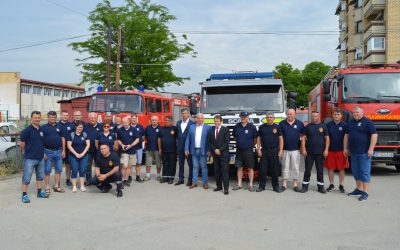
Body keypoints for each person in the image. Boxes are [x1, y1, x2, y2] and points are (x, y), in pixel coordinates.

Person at [344, 106, 377, 201]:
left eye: (357, 112)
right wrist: (345, 148)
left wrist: (371, 149)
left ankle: (365, 192)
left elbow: (374, 135)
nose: (355, 114)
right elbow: (346, 136)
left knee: (364, 172)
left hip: (364, 153)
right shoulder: (350, 123)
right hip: (353, 153)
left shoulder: (368, 122)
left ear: (362, 112)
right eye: (354, 112)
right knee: (355, 171)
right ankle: (359, 189)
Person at [20, 111, 49, 203]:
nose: (37, 119)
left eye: (38, 117)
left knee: (40, 176)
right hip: (29, 158)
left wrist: (43, 153)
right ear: (31, 119)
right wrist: (29, 152)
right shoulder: (26, 131)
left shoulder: (41, 130)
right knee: (27, 177)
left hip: (40, 158)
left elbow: (42, 143)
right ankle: (24, 195)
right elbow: (22, 145)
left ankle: (39, 192)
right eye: (35, 117)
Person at [300, 111, 329, 194]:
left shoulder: (323, 126)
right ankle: (304, 187)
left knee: (320, 170)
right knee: (307, 170)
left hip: (320, 153)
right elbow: (303, 138)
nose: (314, 117)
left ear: (318, 116)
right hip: (309, 152)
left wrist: (326, 149)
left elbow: (327, 138)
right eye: (312, 116)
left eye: (316, 116)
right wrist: (303, 149)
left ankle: (320, 187)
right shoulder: (307, 127)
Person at [256, 112, 283, 193]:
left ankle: (276, 187)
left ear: (273, 118)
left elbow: (281, 139)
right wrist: (258, 149)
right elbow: (258, 139)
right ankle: (261, 186)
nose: (269, 118)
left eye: (271, 117)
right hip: (264, 150)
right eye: (268, 117)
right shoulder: (262, 127)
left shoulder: (277, 127)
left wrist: (281, 150)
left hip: (274, 150)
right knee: (262, 169)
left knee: (275, 170)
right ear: (266, 118)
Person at [279, 109, 304, 192]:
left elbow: (303, 137)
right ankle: (284, 184)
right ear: (286, 114)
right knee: (285, 167)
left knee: (295, 167)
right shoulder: (282, 124)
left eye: (291, 114)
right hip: (285, 149)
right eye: (288, 114)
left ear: (295, 115)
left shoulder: (300, 124)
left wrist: (302, 147)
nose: (289, 116)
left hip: (295, 149)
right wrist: (280, 149)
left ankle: (295, 184)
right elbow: (280, 138)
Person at [232, 111, 258, 192]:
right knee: (239, 168)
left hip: (249, 151)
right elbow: (235, 137)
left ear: (248, 118)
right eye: (242, 117)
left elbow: (255, 139)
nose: (243, 118)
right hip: (239, 151)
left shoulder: (252, 127)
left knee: (250, 168)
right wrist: (240, 144)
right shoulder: (237, 126)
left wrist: (250, 145)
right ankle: (239, 184)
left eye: (245, 117)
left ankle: (251, 184)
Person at [185, 113, 212, 189]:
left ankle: (205, 183)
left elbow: (210, 140)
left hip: (204, 150)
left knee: (204, 167)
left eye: (201, 118)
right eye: (198, 118)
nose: (199, 119)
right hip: (194, 150)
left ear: (203, 119)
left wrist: (209, 150)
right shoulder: (191, 127)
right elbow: (188, 138)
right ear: (196, 119)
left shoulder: (208, 127)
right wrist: (186, 148)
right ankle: (194, 182)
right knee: (195, 167)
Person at [324, 108, 349, 193]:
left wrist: (346, 149)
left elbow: (347, 138)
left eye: (338, 114)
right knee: (330, 168)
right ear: (332, 115)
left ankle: (341, 185)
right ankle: (331, 184)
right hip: (330, 150)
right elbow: (326, 138)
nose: (336, 116)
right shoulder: (328, 125)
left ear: (341, 115)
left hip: (341, 151)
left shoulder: (345, 125)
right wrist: (325, 149)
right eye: (335, 114)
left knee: (341, 168)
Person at [41, 111, 65, 195]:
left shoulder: (60, 126)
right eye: (51, 117)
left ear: (56, 118)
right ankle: (47, 186)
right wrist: (43, 152)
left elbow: (63, 139)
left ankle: (56, 186)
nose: (52, 119)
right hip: (48, 152)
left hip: (59, 151)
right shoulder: (43, 127)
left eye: (54, 117)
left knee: (58, 170)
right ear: (48, 118)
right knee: (47, 170)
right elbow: (40, 141)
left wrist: (64, 150)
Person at [207, 115, 230, 195]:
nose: (216, 123)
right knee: (216, 171)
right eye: (215, 121)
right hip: (215, 154)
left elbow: (226, 142)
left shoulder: (225, 129)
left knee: (224, 171)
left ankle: (226, 188)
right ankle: (219, 186)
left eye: (217, 121)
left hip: (223, 154)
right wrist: (215, 150)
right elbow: (209, 141)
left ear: (221, 121)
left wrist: (219, 150)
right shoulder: (211, 129)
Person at [66, 121, 90, 193]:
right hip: (73, 156)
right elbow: (69, 146)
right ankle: (74, 186)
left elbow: (88, 145)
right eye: (79, 127)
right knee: (75, 170)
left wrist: (82, 153)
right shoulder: (71, 135)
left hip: (84, 155)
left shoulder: (85, 134)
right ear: (76, 127)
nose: (80, 128)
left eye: (81, 127)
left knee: (82, 170)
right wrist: (76, 154)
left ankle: (82, 186)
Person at [117, 117, 140, 186]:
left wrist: (130, 145)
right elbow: (118, 140)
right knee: (124, 166)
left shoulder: (134, 129)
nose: (124, 124)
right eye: (123, 122)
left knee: (129, 166)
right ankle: (122, 179)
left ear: (128, 121)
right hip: (124, 151)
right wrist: (122, 145)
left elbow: (137, 139)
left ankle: (126, 180)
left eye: (126, 122)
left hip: (132, 150)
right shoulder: (120, 130)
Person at [175, 108, 195, 186]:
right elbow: (177, 135)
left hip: (188, 148)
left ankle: (190, 180)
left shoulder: (192, 124)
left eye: (185, 113)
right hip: (180, 147)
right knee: (181, 164)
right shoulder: (178, 123)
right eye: (182, 113)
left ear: (188, 114)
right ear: (181, 114)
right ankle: (181, 179)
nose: (184, 115)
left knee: (190, 165)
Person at [158, 116, 178, 184]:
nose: (167, 121)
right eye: (166, 120)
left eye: (168, 120)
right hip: (164, 150)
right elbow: (159, 139)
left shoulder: (175, 128)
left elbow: (178, 139)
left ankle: (171, 178)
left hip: (173, 150)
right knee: (165, 164)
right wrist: (160, 148)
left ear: (171, 121)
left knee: (172, 164)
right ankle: (165, 177)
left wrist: (178, 148)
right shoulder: (162, 129)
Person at [85, 112, 103, 184]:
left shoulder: (101, 126)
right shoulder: (85, 126)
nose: (93, 119)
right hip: (88, 150)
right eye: (91, 118)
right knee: (87, 166)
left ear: (96, 118)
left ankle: (97, 179)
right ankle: (89, 180)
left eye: (94, 118)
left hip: (98, 150)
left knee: (98, 165)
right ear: (89, 118)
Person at [144, 115, 162, 181]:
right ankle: (147, 175)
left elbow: (161, 139)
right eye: (152, 120)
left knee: (158, 163)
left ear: (158, 120)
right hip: (149, 149)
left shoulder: (161, 128)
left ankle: (158, 176)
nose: (154, 121)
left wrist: (160, 149)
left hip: (157, 149)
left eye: (155, 120)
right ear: (150, 121)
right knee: (148, 163)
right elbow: (145, 137)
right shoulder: (147, 128)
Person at [58, 110, 73, 187]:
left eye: (67, 115)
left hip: (69, 148)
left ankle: (68, 179)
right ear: (61, 116)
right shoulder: (57, 125)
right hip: (59, 148)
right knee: (59, 165)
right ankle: (58, 181)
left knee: (68, 165)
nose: (65, 116)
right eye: (64, 115)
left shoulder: (71, 125)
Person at [129, 114, 145, 183]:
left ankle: (138, 176)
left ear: (137, 119)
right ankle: (129, 176)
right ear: (130, 119)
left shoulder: (140, 127)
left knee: (138, 163)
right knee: (130, 164)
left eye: (135, 118)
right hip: (130, 148)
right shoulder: (128, 126)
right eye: (132, 118)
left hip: (139, 148)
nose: (134, 119)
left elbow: (143, 137)